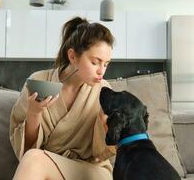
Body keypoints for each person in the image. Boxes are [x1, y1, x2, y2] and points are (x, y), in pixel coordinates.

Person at [10, 17, 116, 180]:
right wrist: (34, 113)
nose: (101, 71)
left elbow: (101, 154)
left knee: (34, 159)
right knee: (33, 158)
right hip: (48, 168)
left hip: (90, 172)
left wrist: (107, 127)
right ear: (72, 56)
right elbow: (25, 149)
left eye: (106, 64)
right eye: (95, 62)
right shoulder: (39, 82)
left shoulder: (103, 91)